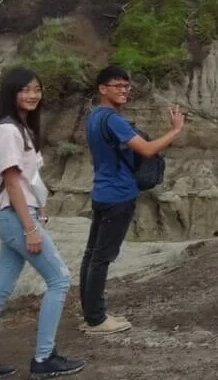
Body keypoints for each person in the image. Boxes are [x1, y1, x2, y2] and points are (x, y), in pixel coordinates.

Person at [0, 67, 84, 380]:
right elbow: (13, 183)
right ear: (11, 93)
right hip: (14, 217)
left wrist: (38, 210)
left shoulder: (20, 129)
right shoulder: (7, 132)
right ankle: (44, 358)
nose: (33, 95)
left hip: (16, 215)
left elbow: (29, 181)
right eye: (25, 90)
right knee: (59, 280)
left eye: (37, 89)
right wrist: (30, 227)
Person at [78, 66, 185, 335]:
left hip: (101, 193)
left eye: (127, 86)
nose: (124, 90)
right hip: (119, 195)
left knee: (92, 255)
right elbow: (147, 150)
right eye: (118, 86)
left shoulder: (94, 117)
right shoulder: (114, 120)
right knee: (102, 257)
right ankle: (97, 320)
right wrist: (175, 130)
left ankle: (91, 313)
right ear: (103, 89)